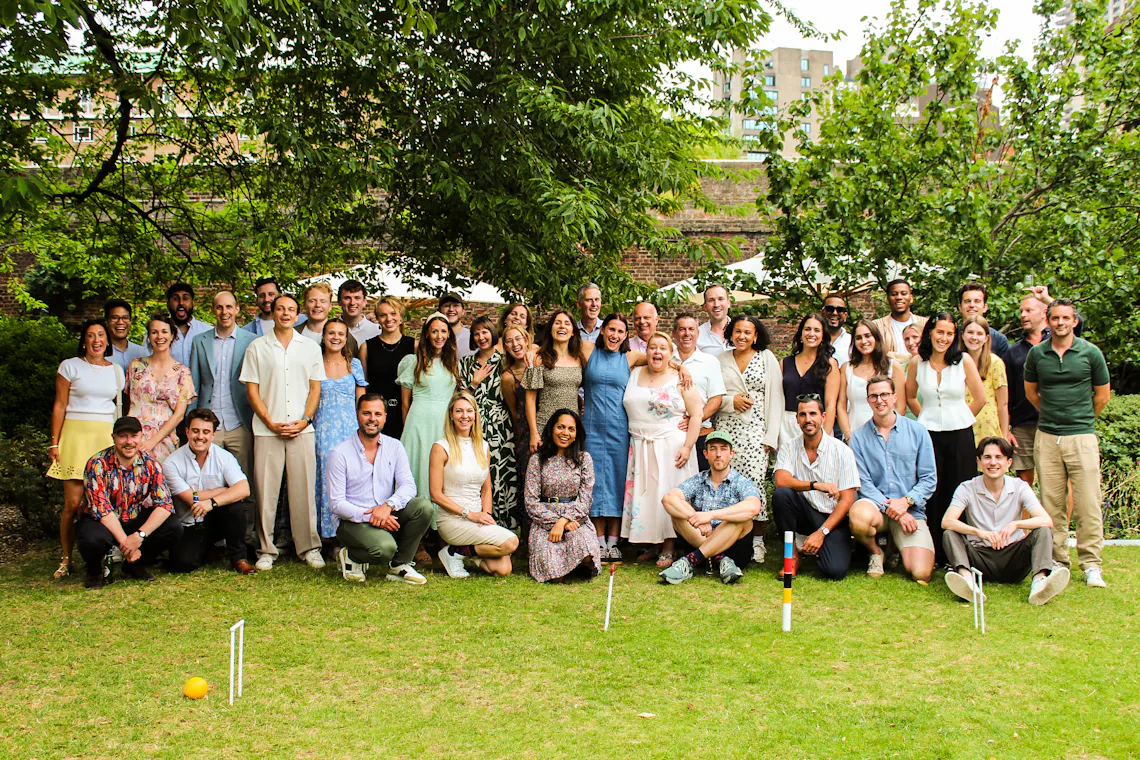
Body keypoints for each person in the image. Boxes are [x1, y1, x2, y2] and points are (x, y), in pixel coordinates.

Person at [1024, 298, 1111, 587]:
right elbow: (1032, 394)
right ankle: (1058, 561)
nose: (1060, 323)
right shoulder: (1037, 355)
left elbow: (1102, 396)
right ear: (1048, 321)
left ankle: (1091, 565)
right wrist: (1054, 417)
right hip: (1047, 437)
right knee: (1051, 504)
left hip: (1082, 436)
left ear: (1074, 321)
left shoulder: (1090, 353)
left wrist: (1080, 419)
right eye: (1055, 318)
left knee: (1088, 503)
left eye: (1066, 318)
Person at [239, 293, 326, 571]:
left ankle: (309, 548)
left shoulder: (310, 347)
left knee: (303, 490)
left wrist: (305, 420)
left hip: (301, 430)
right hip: (267, 430)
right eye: (280, 309)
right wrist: (269, 421)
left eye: (290, 309)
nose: (285, 313)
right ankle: (266, 549)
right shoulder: (257, 347)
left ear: (297, 314)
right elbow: (251, 390)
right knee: (266, 492)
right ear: (272, 312)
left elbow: (315, 389)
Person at [942, 437, 1071, 605]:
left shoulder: (1020, 487)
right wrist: (979, 532)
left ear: (1008, 462)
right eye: (987, 457)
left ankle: (1040, 583)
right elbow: (947, 521)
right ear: (979, 462)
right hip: (980, 557)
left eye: (999, 457)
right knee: (950, 533)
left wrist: (1016, 524)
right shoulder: (967, 488)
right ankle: (967, 582)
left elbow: (1046, 520)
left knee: (1043, 531)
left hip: (1013, 557)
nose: (993, 463)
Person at [326, 393, 433, 584]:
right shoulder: (339, 453)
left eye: (377, 414)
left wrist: (388, 506)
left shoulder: (395, 446)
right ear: (357, 414)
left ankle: (400, 565)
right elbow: (336, 503)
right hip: (353, 521)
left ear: (385, 417)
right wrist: (373, 517)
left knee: (423, 507)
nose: (372, 419)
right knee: (384, 549)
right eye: (366, 413)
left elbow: (408, 485)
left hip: (385, 512)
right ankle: (351, 556)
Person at [47, 319, 125, 579]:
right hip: (76, 438)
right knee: (73, 504)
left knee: (104, 503)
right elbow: (59, 405)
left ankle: (104, 555)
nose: (96, 340)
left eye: (101, 335)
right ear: (84, 339)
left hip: (104, 439)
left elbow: (118, 408)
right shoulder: (70, 366)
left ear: (107, 339)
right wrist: (54, 442)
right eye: (90, 335)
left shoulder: (116, 370)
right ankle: (66, 559)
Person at [906, 312, 986, 564]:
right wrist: (926, 418)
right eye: (940, 332)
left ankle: (964, 551)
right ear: (930, 332)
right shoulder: (917, 362)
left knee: (960, 487)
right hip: (929, 435)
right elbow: (910, 397)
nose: (944, 338)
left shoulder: (963, 361)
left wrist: (960, 417)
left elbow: (980, 398)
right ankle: (936, 551)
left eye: (950, 333)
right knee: (934, 490)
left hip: (961, 434)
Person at [621, 332, 704, 567]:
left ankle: (669, 546)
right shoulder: (634, 371)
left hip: (671, 446)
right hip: (639, 444)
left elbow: (697, 414)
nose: (657, 352)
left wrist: (688, 446)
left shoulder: (680, 378)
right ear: (645, 351)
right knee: (649, 497)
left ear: (671, 353)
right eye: (652, 347)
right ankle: (653, 543)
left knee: (667, 494)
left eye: (663, 348)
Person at [75, 416, 183, 588]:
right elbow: (102, 509)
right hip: (103, 521)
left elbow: (164, 504)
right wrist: (127, 544)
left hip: (133, 517)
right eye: (123, 436)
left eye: (134, 436)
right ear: (113, 438)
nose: (129, 442)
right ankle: (94, 570)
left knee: (173, 527)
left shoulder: (151, 464)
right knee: (92, 538)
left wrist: (139, 536)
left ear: (141, 437)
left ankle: (135, 565)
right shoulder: (97, 463)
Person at [848, 376, 937, 582]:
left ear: (895, 397)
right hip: (876, 509)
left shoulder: (918, 431)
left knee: (920, 573)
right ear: (868, 400)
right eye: (874, 396)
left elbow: (928, 478)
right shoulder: (859, 438)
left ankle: (893, 548)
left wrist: (905, 503)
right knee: (858, 517)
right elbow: (863, 484)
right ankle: (875, 552)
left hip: (910, 509)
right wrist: (892, 510)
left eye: (884, 395)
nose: (880, 400)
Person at [187, 291, 257, 543]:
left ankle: (244, 538)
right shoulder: (200, 341)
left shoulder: (252, 340)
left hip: (240, 422)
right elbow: (194, 384)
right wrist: (190, 422)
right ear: (213, 310)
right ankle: (211, 539)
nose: (224, 312)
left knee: (243, 483)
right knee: (207, 483)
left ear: (237, 309)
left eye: (229, 307)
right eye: (219, 307)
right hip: (208, 426)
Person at [716, 314, 784, 563]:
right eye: (737, 331)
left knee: (754, 484)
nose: (742, 336)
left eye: (747, 332)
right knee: (728, 483)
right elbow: (714, 396)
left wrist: (771, 436)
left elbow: (776, 397)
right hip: (727, 429)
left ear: (756, 336)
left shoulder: (767, 358)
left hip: (756, 431)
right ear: (730, 334)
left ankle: (757, 540)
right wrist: (729, 402)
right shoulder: (721, 359)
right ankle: (730, 538)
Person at [431, 392, 519, 577]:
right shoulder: (441, 447)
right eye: (459, 411)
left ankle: (461, 552)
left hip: (478, 517)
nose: (465, 416)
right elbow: (436, 495)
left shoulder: (483, 446)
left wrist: (485, 515)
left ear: (475, 415)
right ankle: (455, 552)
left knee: (503, 570)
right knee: (510, 542)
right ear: (451, 415)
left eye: (469, 411)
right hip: (453, 520)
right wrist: (469, 514)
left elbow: (486, 488)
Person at [658, 431, 764, 585]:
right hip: (700, 537)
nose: (718, 454)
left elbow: (754, 507)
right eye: (713, 449)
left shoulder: (741, 482)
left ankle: (689, 562)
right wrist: (695, 518)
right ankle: (720, 559)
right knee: (678, 513)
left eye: (723, 449)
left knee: (742, 520)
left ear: (732, 454)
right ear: (706, 454)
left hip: (734, 550)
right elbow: (668, 498)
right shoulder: (698, 480)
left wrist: (710, 516)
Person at [772, 396, 860, 580]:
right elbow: (781, 480)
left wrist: (822, 533)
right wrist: (815, 485)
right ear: (797, 419)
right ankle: (792, 556)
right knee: (782, 495)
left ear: (823, 417)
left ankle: (828, 545)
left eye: (813, 414)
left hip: (831, 519)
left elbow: (847, 500)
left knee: (834, 571)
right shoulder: (789, 447)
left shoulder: (842, 451)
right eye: (802, 415)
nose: (808, 419)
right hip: (804, 512)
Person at [162, 409, 255, 574]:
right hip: (189, 523)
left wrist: (211, 502)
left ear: (213, 435)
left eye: (206, 432)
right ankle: (209, 550)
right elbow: (191, 498)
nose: (200, 437)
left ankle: (239, 558)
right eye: (196, 431)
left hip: (216, 517)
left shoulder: (224, 457)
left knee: (237, 508)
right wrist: (222, 490)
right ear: (187, 432)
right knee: (183, 564)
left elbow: (244, 489)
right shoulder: (172, 463)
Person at [525, 409, 602, 582]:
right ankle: (565, 570)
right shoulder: (537, 460)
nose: (565, 433)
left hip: (575, 519)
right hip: (544, 520)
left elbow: (585, 499)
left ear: (576, 434)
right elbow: (531, 502)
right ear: (552, 429)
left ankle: (576, 565)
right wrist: (555, 523)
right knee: (550, 565)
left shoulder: (584, 459)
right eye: (561, 427)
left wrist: (564, 521)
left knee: (585, 551)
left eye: (571, 429)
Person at [397, 313, 460, 504]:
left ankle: (439, 521)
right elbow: (405, 402)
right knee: (420, 464)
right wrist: (408, 429)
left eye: (443, 331)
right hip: (419, 423)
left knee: (443, 468)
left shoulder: (453, 363)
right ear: (427, 334)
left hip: (443, 423)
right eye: (434, 331)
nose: (439, 336)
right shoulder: (414, 362)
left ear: (449, 334)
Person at [314, 319, 369, 541]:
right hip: (323, 429)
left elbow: (362, 401)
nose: (335, 338)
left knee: (352, 479)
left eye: (340, 334)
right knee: (326, 480)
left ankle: (351, 532)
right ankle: (327, 534)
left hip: (350, 429)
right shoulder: (315, 363)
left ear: (346, 338)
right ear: (324, 336)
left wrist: (364, 430)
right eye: (331, 333)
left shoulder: (353, 364)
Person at [460, 315, 517, 529]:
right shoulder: (466, 362)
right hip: (474, 426)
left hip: (501, 426)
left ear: (492, 333)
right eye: (476, 333)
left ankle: (505, 526)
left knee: (501, 474)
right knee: (478, 475)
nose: (481, 337)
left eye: (484, 332)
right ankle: (478, 523)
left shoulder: (504, 360)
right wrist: (474, 382)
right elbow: (459, 398)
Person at [126, 315, 196, 461]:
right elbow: (129, 402)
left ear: (172, 335)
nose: (159, 336)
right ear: (149, 336)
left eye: (164, 332)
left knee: (162, 482)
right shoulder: (135, 366)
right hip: (133, 437)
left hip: (165, 439)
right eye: (154, 332)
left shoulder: (182, 372)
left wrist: (153, 441)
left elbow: (179, 415)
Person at [524, 310, 586, 452]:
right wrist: (534, 433)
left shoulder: (580, 358)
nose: (562, 327)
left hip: (570, 430)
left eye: (567, 323)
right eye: (557, 323)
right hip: (545, 426)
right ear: (551, 329)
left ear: (573, 332)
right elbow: (530, 399)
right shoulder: (538, 359)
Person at [1005, 291, 1050, 485]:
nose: (1023, 315)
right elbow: (1005, 394)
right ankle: (1026, 517)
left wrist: (1048, 299)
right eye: (1021, 311)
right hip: (1022, 424)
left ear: (1044, 313)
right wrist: (1006, 428)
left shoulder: (1058, 342)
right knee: (1024, 481)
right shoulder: (1013, 351)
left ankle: (1061, 517)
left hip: (1053, 421)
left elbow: (1076, 320)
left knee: (1058, 478)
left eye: (1029, 310)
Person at [837, 319, 906, 442]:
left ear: (876, 338)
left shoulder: (893, 367)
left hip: (886, 437)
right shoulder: (846, 369)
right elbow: (841, 406)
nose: (863, 341)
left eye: (868, 336)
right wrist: (848, 435)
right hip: (854, 435)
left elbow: (900, 406)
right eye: (858, 338)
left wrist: (888, 433)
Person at [673, 313, 726, 469]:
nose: (687, 333)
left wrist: (694, 419)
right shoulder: (666, 359)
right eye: (682, 329)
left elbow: (716, 399)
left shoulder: (710, 361)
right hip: (670, 435)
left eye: (691, 329)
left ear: (698, 333)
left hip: (701, 435)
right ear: (674, 333)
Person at [360, 296, 416, 440]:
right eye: (383, 315)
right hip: (375, 415)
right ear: (378, 319)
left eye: (393, 314)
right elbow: (363, 386)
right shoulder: (367, 347)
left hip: (404, 413)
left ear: (401, 317)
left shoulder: (414, 346)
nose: (388, 319)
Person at [780, 313, 839, 442]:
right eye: (807, 329)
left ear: (823, 336)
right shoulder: (785, 363)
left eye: (817, 330)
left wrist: (826, 437)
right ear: (801, 334)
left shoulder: (830, 364)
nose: (811, 334)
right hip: (787, 426)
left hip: (817, 424)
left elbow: (830, 405)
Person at [500, 324, 535, 526]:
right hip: (525, 434)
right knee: (528, 482)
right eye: (509, 341)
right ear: (505, 347)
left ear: (526, 339)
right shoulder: (508, 377)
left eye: (518, 338)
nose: (515, 344)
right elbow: (514, 412)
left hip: (548, 425)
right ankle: (528, 533)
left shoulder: (539, 361)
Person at [962, 315, 1009, 444]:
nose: (974, 337)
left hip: (988, 428)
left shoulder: (995, 363)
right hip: (962, 427)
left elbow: (1003, 404)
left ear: (986, 338)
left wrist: (1004, 434)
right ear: (962, 335)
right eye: (970, 332)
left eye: (979, 334)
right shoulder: (955, 364)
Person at [299, 282, 361, 355]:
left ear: (330, 306)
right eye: (312, 301)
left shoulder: (346, 337)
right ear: (304, 305)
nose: (318, 305)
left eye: (323, 301)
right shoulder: (293, 333)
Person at [160, 282, 212, 366]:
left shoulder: (208, 332)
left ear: (193, 303)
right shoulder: (157, 335)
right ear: (168, 304)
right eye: (176, 299)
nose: (181, 303)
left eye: (185, 298)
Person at [872, 279, 928, 355]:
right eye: (894, 294)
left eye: (904, 293)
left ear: (911, 298)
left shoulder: (925, 323)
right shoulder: (877, 326)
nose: (899, 297)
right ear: (887, 299)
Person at [957, 281, 1010, 359]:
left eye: (977, 301)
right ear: (960, 307)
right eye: (967, 301)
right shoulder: (951, 336)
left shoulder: (999, 340)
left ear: (985, 307)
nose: (972, 305)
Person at [103, 299, 149, 371]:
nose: (120, 322)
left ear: (130, 321)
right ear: (106, 322)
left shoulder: (141, 352)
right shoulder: (101, 353)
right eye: (115, 318)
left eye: (125, 318)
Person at [337, 279, 381, 344]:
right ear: (339, 302)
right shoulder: (330, 330)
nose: (352, 303)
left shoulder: (376, 331)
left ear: (364, 302)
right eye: (347, 298)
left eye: (357, 298)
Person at [697, 283, 731, 355]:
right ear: (705, 306)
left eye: (721, 299)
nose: (716, 305)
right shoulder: (697, 335)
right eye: (711, 300)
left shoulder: (741, 331)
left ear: (728, 303)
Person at [438, 292, 474, 359]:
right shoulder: (433, 338)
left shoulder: (474, 337)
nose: (451, 309)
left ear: (463, 311)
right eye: (447, 305)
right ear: (439, 311)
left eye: (456, 305)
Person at [822, 293, 851, 366]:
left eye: (840, 310)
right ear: (822, 312)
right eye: (830, 309)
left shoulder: (853, 342)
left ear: (845, 315)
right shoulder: (812, 339)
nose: (835, 313)